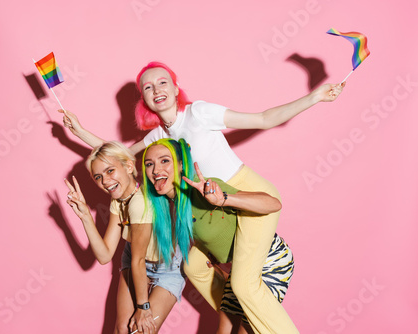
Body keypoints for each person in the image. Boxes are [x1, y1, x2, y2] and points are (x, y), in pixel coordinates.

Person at [59, 61, 344, 333]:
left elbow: (263, 119)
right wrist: (79, 131)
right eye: (148, 87)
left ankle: (254, 308)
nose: (157, 90)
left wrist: (314, 97)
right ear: (143, 100)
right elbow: (118, 158)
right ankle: (237, 314)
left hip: (246, 195)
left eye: (163, 82)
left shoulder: (199, 113)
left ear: (175, 87)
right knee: (193, 265)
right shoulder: (158, 138)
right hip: (212, 203)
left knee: (245, 286)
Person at [142, 138, 295, 333]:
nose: (155, 170)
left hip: (269, 261)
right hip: (239, 269)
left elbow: (273, 204)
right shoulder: (174, 207)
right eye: (149, 164)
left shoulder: (207, 189)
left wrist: (224, 199)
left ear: (181, 165)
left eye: (165, 161)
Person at [64, 141, 185, 334]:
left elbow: (138, 260)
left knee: (142, 331)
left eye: (110, 171)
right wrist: (85, 215)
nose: (105, 181)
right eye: (98, 177)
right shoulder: (118, 201)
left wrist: (143, 308)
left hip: (166, 267)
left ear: (129, 166)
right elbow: (104, 256)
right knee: (122, 329)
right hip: (135, 261)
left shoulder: (140, 203)